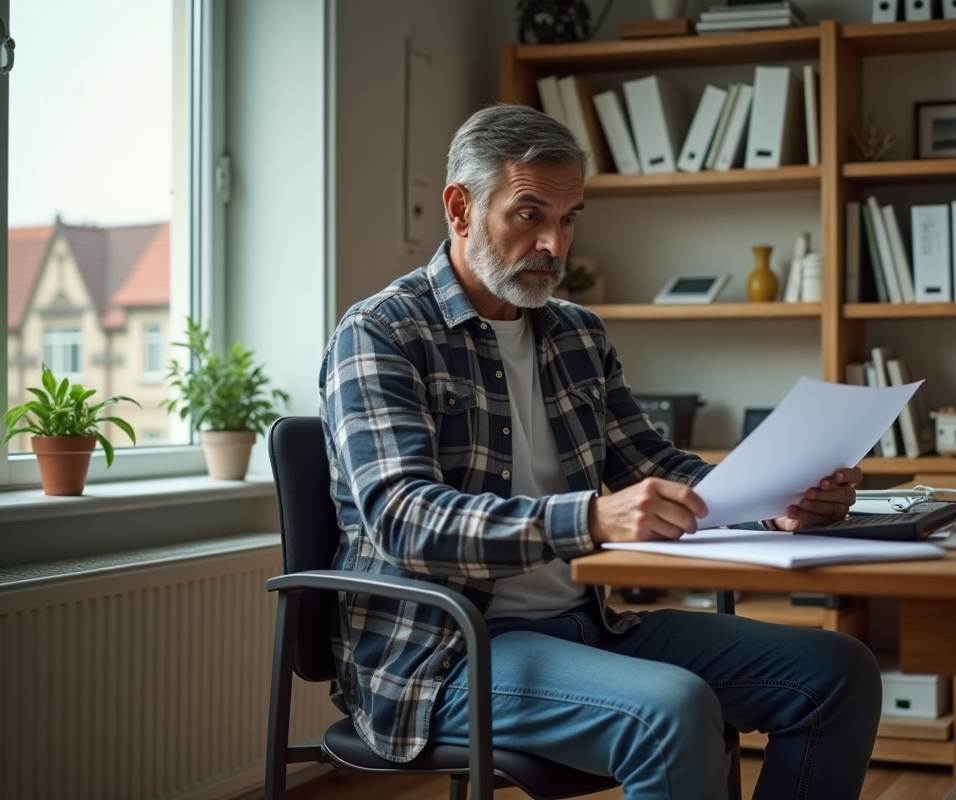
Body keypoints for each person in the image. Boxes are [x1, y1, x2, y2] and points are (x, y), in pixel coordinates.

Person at [318, 103, 881, 800]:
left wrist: (774, 502)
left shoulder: (576, 335)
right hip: (445, 654)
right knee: (670, 710)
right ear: (461, 209)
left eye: (569, 219)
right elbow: (405, 520)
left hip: (590, 626)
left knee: (839, 673)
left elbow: (653, 465)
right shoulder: (381, 332)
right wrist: (590, 519)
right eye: (530, 216)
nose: (554, 244)